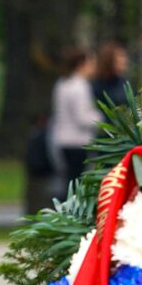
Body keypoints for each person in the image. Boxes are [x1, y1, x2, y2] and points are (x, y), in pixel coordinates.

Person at [47, 46, 100, 199]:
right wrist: (101, 118)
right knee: (75, 186)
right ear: (81, 64)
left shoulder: (62, 84)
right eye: (91, 63)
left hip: (61, 140)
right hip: (77, 141)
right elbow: (82, 118)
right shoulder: (80, 86)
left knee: (67, 182)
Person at [90, 41, 130, 108]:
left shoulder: (124, 82)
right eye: (121, 56)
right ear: (109, 60)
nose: (125, 60)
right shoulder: (98, 85)